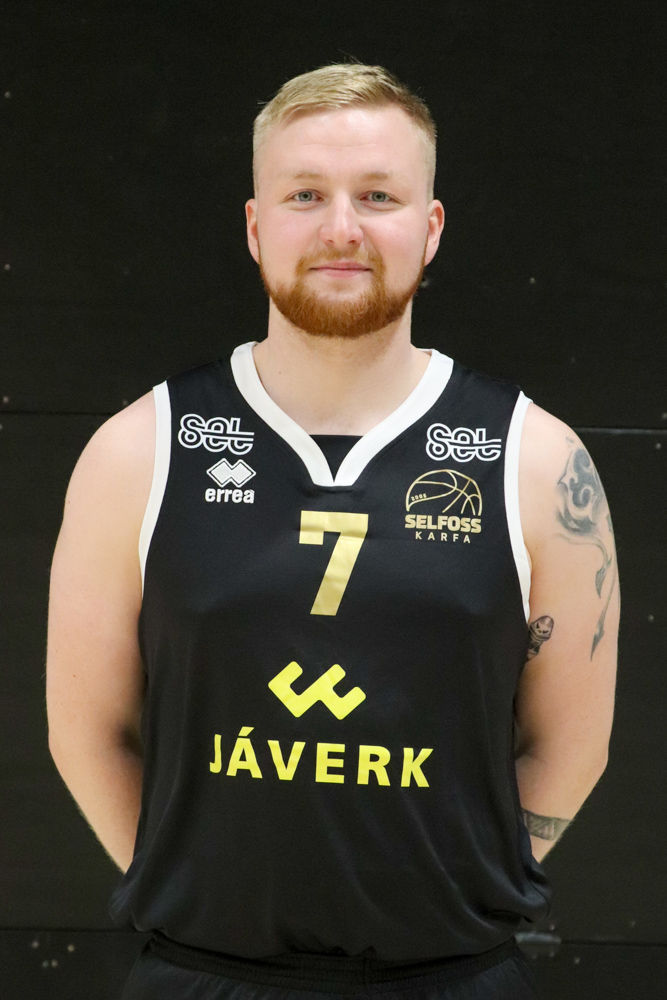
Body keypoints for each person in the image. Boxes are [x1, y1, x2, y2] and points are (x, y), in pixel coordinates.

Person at [46, 62, 620, 1000]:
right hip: (200, 974)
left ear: (430, 228)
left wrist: (459, 891)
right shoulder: (139, 449)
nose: (341, 228)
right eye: (305, 194)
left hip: (452, 977)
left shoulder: (535, 459)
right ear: (255, 226)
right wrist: (192, 891)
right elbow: (87, 729)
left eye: (378, 196)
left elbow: (572, 744)